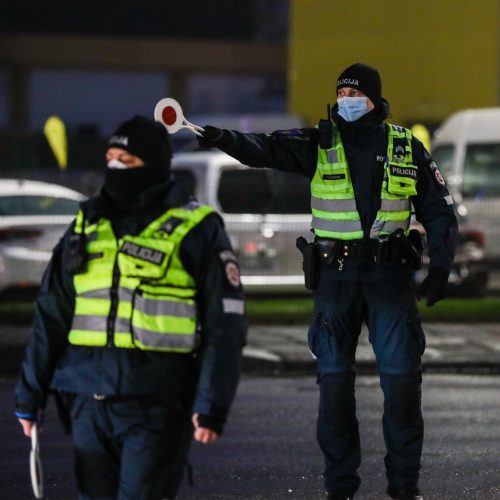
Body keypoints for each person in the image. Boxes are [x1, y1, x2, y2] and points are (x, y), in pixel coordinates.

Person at [197, 63, 458, 500]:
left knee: (402, 387)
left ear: (374, 100)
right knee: (334, 388)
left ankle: (404, 487)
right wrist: (224, 138)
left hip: (388, 280)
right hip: (336, 281)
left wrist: (440, 268)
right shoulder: (319, 143)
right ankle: (340, 488)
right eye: (341, 94)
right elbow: (264, 149)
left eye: (354, 95)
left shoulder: (405, 146)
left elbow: (439, 209)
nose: (346, 101)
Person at [15, 115, 247, 499]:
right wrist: (30, 393)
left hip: (157, 402)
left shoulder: (196, 227)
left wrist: (212, 403)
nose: (116, 166)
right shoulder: (86, 225)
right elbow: (51, 314)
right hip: (87, 401)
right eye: (111, 156)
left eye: (128, 159)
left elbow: (226, 323)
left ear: (154, 166)